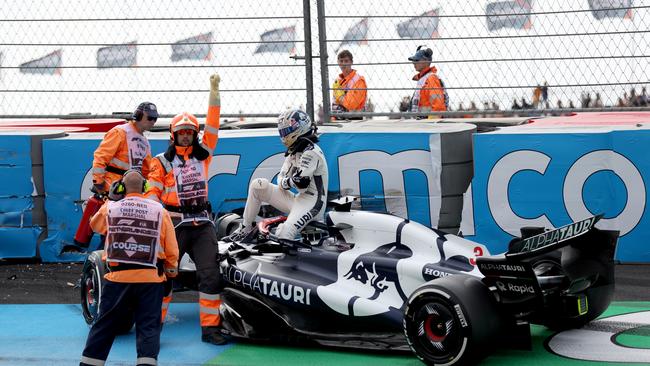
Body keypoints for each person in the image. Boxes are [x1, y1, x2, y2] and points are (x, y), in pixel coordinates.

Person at [147, 73, 226, 345]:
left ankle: (210, 329)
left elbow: (213, 125)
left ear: (194, 135)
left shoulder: (204, 156)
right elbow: (151, 194)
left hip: (202, 225)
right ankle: (152, 327)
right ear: (173, 134)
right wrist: (160, 222)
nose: (185, 136)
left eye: (189, 132)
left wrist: (214, 91)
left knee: (211, 276)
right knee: (164, 276)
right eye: (181, 133)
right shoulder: (160, 162)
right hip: (172, 226)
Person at [80, 170, 179, 366]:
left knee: (104, 326)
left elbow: (95, 225)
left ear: (121, 187)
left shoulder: (112, 208)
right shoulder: (160, 210)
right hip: (151, 280)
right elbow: (172, 249)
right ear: (145, 188)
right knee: (148, 328)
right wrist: (170, 273)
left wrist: (110, 199)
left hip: (117, 279)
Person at [230, 109, 328, 241]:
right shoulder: (295, 151)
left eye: (286, 131)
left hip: (313, 204)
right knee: (258, 186)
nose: (283, 135)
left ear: (299, 128)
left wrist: (289, 181)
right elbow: (280, 180)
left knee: (283, 233)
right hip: (299, 200)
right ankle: (245, 228)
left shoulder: (311, 151)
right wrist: (290, 181)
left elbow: (301, 185)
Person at [74, 102, 159, 249]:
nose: (152, 121)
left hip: (130, 193)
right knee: (109, 230)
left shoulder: (144, 142)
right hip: (111, 191)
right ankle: (102, 262)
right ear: (138, 116)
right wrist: (99, 184)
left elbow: (146, 171)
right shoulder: (120, 132)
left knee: (119, 231)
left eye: (155, 118)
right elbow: (101, 157)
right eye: (150, 118)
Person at [408, 45, 448, 117]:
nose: (414, 63)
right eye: (413, 61)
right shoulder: (423, 79)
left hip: (428, 124)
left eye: (417, 60)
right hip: (422, 123)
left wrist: (431, 125)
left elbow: (438, 108)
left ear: (426, 61)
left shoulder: (431, 78)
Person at [331, 50, 367, 120]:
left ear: (351, 62)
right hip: (338, 120)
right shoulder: (337, 80)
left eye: (346, 61)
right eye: (341, 61)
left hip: (354, 121)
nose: (343, 64)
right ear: (338, 63)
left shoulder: (359, 80)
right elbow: (334, 104)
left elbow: (351, 105)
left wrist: (340, 95)